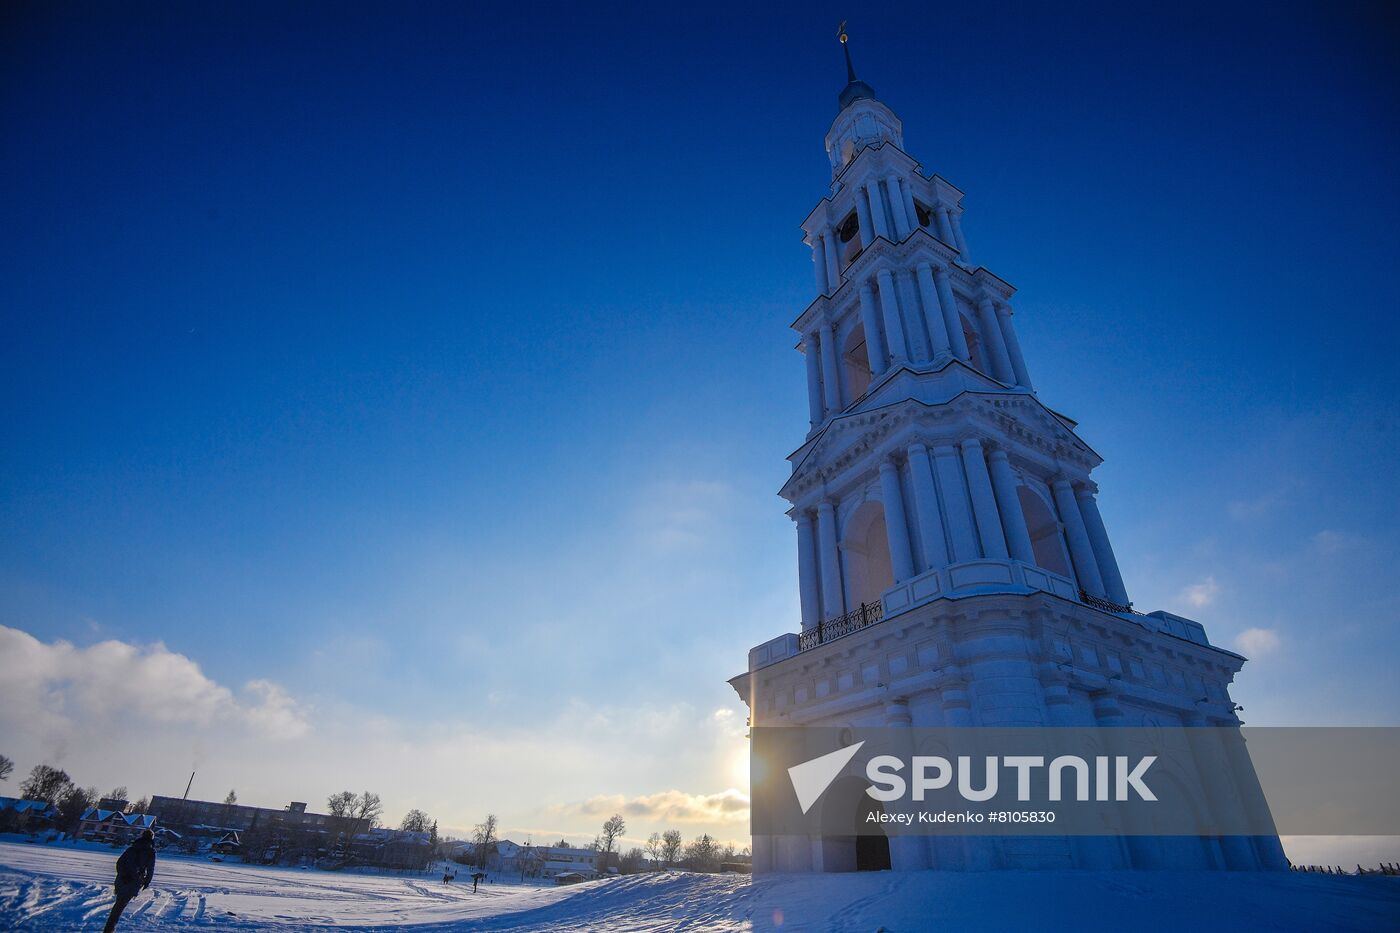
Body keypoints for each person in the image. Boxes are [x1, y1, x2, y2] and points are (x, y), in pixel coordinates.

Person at [103, 829, 156, 933]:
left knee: (119, 903)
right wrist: (146, 882)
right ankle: (109, 929)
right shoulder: (150, 852)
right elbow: (150, 868)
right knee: (120, 905)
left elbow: (119, 863)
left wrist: (122, 875)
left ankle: (109, 928)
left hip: (122, 880)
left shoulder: (131, 849)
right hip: (134, 881)